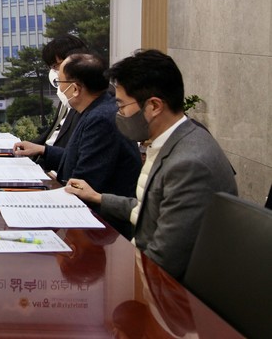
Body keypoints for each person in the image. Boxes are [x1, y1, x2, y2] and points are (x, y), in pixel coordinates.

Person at [65, 50, 237, 280]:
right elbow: (149, 206)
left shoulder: (188, 165)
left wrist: (119, 279)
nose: (119, 114)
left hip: (171, 294)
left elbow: (163, 262)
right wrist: (98, 197)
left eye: (122, 106)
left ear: (154, 106)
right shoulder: (176, 139)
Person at [15, 52, 141, 236]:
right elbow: (78, 157)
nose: (59, 88)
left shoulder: (101, 118)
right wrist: (43, 150)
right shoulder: (95, 108)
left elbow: (84, 182)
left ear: (75, 89)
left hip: (101, 226)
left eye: (59, 82)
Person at [16, 35, 88, 164]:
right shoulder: (67, 97)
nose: (54, 73)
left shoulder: (87, 102)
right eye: (52, 67)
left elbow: (80, 158)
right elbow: (52, 135)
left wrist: (44, 153)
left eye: (56, 66)